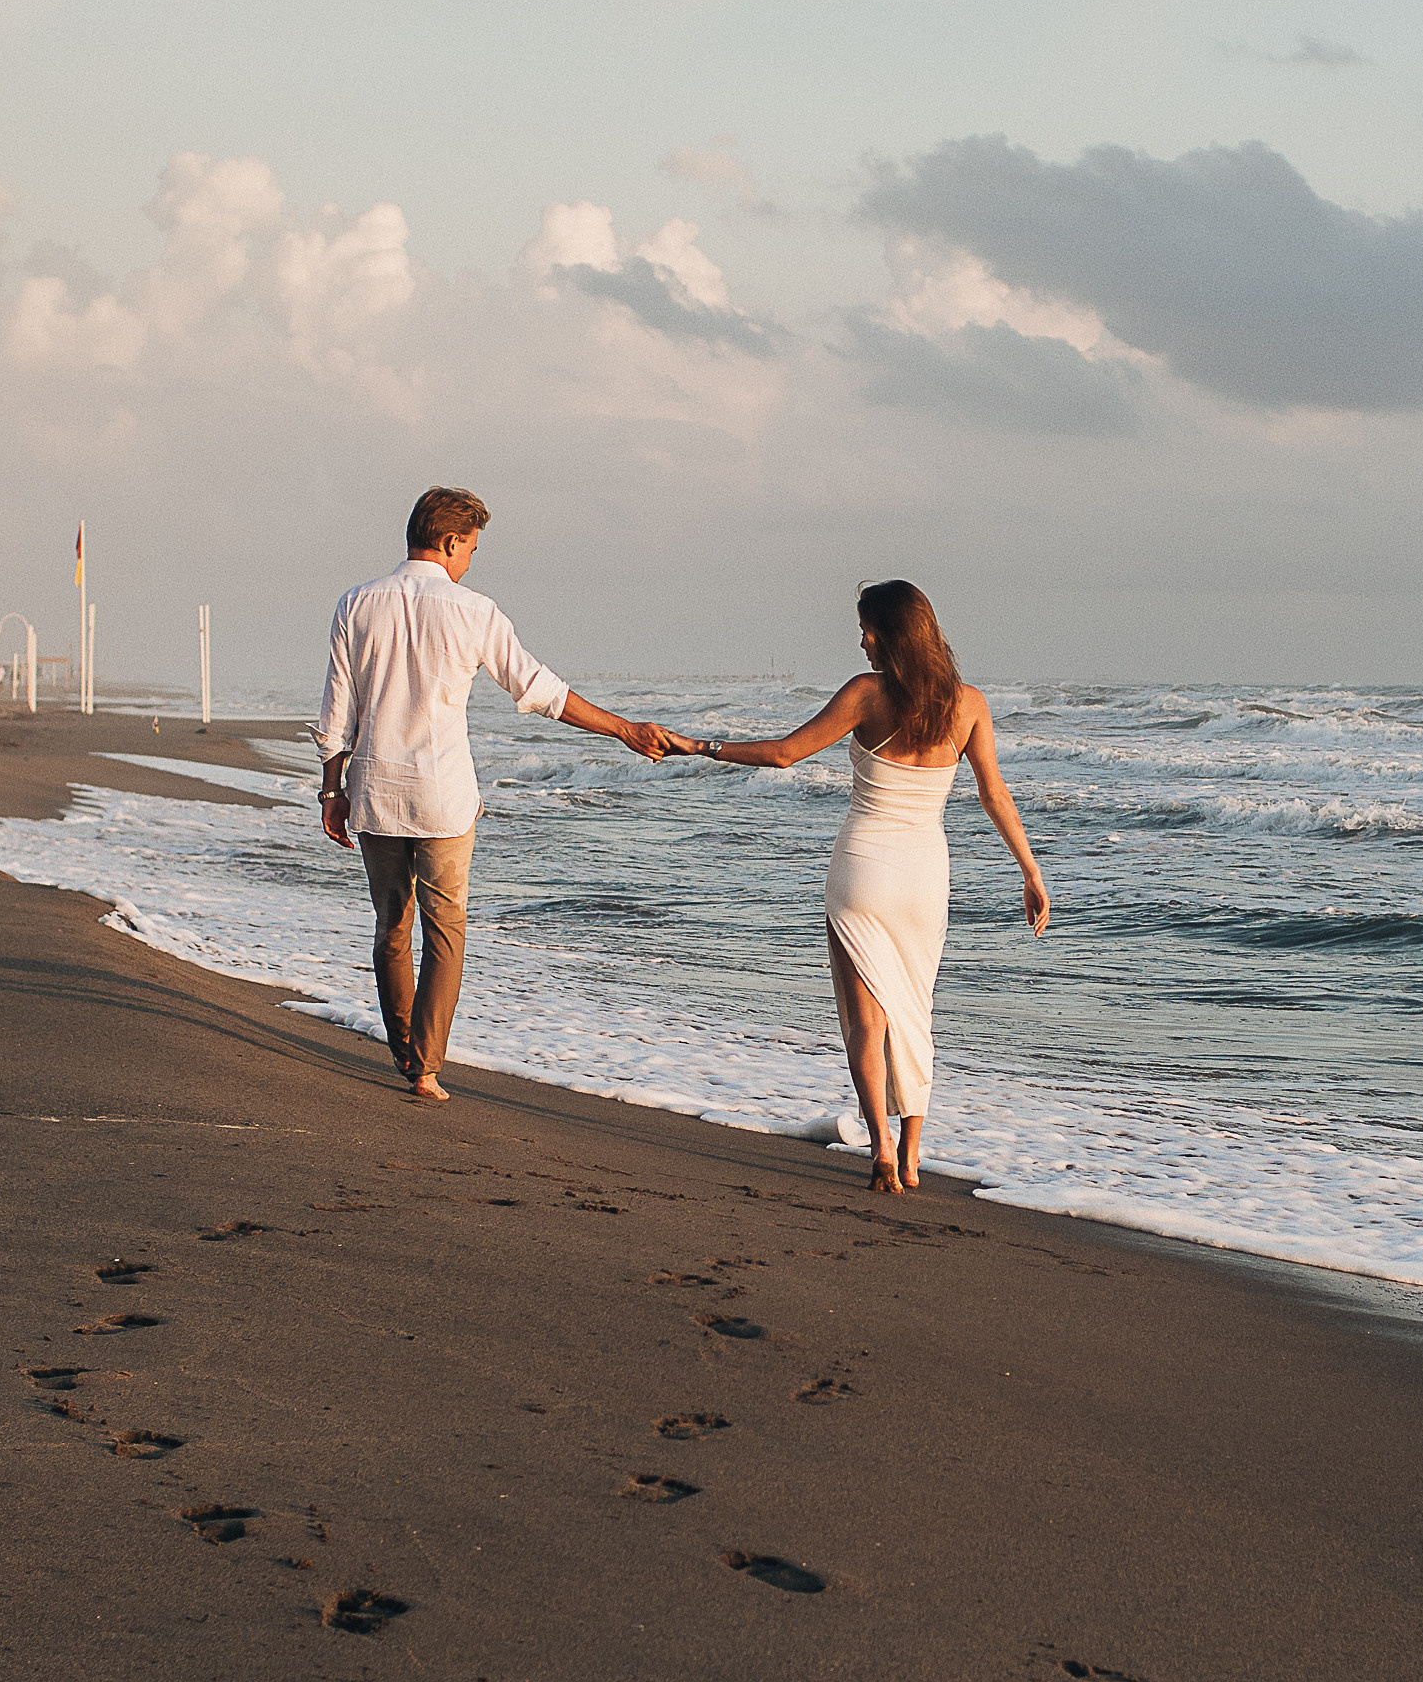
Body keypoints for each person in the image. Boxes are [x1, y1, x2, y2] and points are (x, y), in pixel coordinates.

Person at [669, 578, 1048, 1192]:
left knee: (865, 1023)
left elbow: (785, 754)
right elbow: (993, 793)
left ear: (896, 635)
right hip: (927, 876)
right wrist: (1030, 871)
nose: (863, 641)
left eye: (869, 629)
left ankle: (881, 1150)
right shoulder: (970, 703)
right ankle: (914, 1153)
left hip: (864, 869)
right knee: (915, 1013)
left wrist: (699, 745)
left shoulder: (866, 695)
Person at [317, 486, 669, 1103]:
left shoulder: (356, 603)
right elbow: (541, 692)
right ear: (450, 541)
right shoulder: (474, 610)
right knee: (445, 930)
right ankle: (425, 1068)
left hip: (373, 790)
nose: (471, 562)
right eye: (471, 548)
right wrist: (623, 729)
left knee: (390, 927)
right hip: (444, 797)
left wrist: (330, 790)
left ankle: (405, 1049)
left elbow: (335, 715)